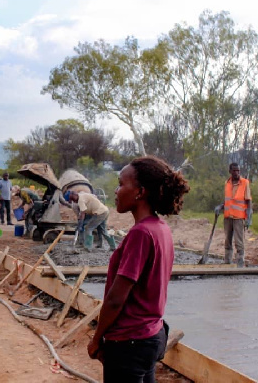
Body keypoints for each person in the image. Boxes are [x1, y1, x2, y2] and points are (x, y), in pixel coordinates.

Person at [87, 155, 190, 382]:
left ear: (140, 192)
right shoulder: (160, 229)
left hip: (128, 342)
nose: (116, 190)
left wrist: (97, 338)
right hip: (151, 336)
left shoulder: (140, 234)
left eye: (122, 184)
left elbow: (116, 298)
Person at [214, 162, 252, 267]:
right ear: (230, 171)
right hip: (228, 216)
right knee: (227, 239)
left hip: (239, 217)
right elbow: (227, 200)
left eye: (238, 170)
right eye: (234, 170)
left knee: (239, 241)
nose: (237, 173)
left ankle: (240, 261)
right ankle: (227, 261)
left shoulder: (245, 183)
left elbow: (249, 201)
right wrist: (220, 207)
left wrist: (249, 217)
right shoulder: (227, 183)